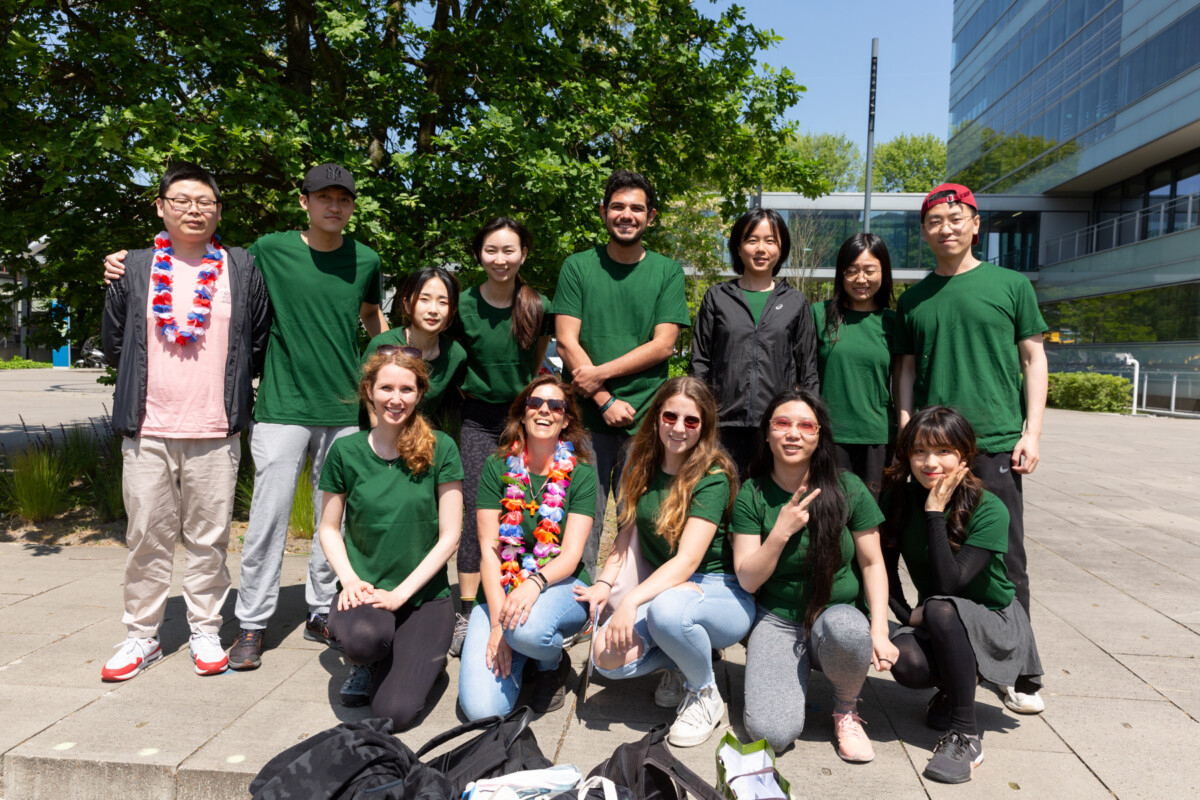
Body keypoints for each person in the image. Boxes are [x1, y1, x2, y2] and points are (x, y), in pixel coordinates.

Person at [104, 163, 388, 670]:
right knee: (265, 521)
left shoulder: (365, 258)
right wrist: (122, 262)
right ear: (303, 201)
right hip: (280, 405)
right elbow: (198, 275)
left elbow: (369, 313)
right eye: (323, 197)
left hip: (344, 407)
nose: (334, 206)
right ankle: (252, 621)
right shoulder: (266, 252)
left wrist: (388, 361)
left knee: (334, 518)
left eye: (343, 198)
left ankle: (320, 611)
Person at [99, 162, 271, 681]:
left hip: (215, 429)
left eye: (204, 202)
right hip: (149, 427)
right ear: (160, 207)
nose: (193, 210)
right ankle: (142, 635)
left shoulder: (241, 267)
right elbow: (113, 341)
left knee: (208, 540)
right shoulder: (133, 267)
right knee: (145, 537)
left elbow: (257, 339)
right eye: (181, 200)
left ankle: (205, 629)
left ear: (218, 210)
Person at [894, 183, 1048, 713]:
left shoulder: (1011, 285)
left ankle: (1020, 671)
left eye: (956, 218)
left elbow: (1033, 358)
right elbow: (905, 373)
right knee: (936, 552)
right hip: (935, 452)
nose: (946, 228)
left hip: (997, 443)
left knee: (1008, 559)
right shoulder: (913, 299)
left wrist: (1032, 431)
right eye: (935, 221)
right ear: (924, 231)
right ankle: (952, 661)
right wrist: (907, 435)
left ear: (976, 224)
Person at [576, 377, 752, 749]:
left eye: (691, 420)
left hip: (718, 589)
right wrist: (604, 584)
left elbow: (688, 560)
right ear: (656, 416)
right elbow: (625, 534)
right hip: (667, 587)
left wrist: (631, 600)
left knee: (668, 611)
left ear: (704, 426)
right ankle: (679, 661)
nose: (678, 427)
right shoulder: (640, 463)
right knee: (605, 657)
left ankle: (704, 693)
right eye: (670, 416)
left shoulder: (713, 474)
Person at [881, 405, 1043, 784]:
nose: (930, 462)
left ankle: (965, 734)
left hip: (995, 622)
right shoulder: (898, 500)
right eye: (919, 451)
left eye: (943, 451)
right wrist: (905, 614)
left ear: (964, 456)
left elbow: (949, 586)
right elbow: (882, 568)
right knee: (906, 660)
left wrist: (935, 512)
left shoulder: (990, 508)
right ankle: (954, 688)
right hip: (941, 619)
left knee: (940, 607)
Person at [730, 389, 893, 761]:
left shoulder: (848, 488)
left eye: (806, 425)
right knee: (772, 733)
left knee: (848, 630)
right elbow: (748, 579)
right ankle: (790, 677)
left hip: (836, 613)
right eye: (782, 423)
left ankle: (846, 709)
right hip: (777, 618)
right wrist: (780, 532)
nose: (793, 433)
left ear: (819, 436)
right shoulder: (752, 494)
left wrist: (880, 630)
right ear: (767, 433)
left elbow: (873, 563)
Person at [554, 170, 691, 579]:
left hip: (646, 420)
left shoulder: (667, 271)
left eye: (636, 208)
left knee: (642, 520)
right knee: (580, 518)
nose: (626, 215)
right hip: (584, 419)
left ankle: (634, 600)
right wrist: (604, 399)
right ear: (603, 212)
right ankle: (574, 599)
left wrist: (599, 376)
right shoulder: (578, 266)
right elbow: (566, 342)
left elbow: (663, 345)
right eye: (617, 207)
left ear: (651, 216)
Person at [317, 351, 463, 729]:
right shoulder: (345, 451)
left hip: (423, 597)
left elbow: (450, 536)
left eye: (406, 389)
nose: (395, 399)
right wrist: (349, 579)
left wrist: (401, 594)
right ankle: (368, 662)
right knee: (365, 640)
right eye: (386, 388)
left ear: (419, 394)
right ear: (369, 390)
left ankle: (425, 664)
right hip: (365, 593)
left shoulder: (441, 448)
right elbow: (328, 528)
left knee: (393, 713)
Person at [458, 375, 596, 719]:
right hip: (500, 586)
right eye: (535, 403)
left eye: (556, 406)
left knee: (527, 630)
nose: (544, 411)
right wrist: (497, 625)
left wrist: (534, 584)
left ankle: (551, 664)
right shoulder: (497, 466)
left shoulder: (581, 473)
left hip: (559, 583)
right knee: (482, 711)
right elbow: (490, 549)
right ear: (523, 413)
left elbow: (572, 554)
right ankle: (524, 651)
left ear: (566, 419)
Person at [451, 217, 553, 657]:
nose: (500, 259)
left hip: (523, 417)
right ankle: (467, 609)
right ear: (479, 254)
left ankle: (526, 592)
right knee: (476, 509)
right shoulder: (461, 305)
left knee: (527, 507)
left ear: (523, 255)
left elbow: (538, 358)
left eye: (509, 250)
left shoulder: (537, 305)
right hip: (476, 417)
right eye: (491, 250)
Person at [692, 208, 819, 474]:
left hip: (776, 427)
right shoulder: (717, 297)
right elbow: (700, 362)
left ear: (781, 249)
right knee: (723, 492)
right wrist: (698, 411)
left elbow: (808, 369)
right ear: (738, 248)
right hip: (723, 424)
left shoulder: (795, 302)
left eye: (770, 241)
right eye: (752, 240)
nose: (761, 249)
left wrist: (807, 420)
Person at [812, 233, 896, 498]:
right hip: (828, 436)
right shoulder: (818, 314)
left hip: (877, 438)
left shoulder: (893, 321)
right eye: (852, 271)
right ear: (841, 274)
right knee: (831, 511)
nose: (861, 279)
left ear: (883, 272)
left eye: (870, 271)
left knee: (873, 514)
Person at [361, 266, 466, 422]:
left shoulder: (455, 355)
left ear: (453, 310)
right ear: (408, 304)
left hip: (422, 433)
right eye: (424, 299)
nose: (433, 310)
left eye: (443, 302)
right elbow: (366, 399)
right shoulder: (382, 345)